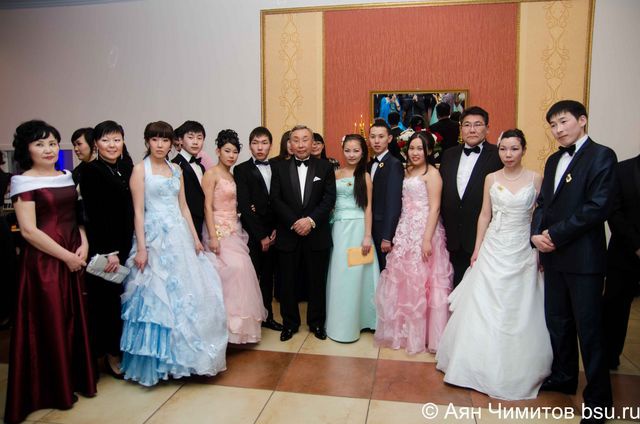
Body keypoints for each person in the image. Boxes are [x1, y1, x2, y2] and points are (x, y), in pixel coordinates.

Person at [436, 129, 552, 400]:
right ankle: (473, 363)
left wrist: (538, 249)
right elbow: (484, 215)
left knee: (519, 304)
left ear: (523, 150)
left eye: (514, 149)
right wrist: (478, 248)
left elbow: (540, 216)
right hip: (494, 246)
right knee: (484, 302)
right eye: (503, 149)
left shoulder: (536, 178)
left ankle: (518, 367)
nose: (508, 154)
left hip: (522, 247)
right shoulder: (491, 178)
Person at [119, 121, 227, 387]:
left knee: (188, 294)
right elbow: (138, 212)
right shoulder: (139, 170)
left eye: (165, 140)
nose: (160, 145)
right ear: (147, 142)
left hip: (179, 235)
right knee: (157, 297)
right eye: (155, 140)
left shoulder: (176, 169)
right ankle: (159, 362)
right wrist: (142, 248)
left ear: (171, 143)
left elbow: (184, 208)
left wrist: (195, 238)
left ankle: (186, 359)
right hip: (154, 238)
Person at [5, 120, 97, 423]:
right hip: (44, 263)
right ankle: (50, 389)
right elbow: (29, 231)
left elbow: (76, 217)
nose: (48, 149)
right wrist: (66, 256)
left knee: (72, 319)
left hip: (73, 254)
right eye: (40, 144)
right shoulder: (22, 182)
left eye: (53, 143)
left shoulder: (66, 176)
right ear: (27, 149)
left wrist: (83, 244)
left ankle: (73, 379)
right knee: (49, 321)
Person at [531, 100, 615, 423]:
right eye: (553, 125)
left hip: (584, 260)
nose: (558, 130)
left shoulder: (601, 156)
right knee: (558, 322)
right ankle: (564, 376)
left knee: (589, 330)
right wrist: (536, 234)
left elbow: (598, 206)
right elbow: (543, 203)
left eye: (563, 122)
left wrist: (555, 234)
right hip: (553, 257)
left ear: (582, 120)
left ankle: (598, 400)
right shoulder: (553, 160)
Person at [375, 132, 453, 354]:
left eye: (420, 148)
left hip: (425, 231)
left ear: (428, 151)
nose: (415, 153)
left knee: (424, 282)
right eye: (412, 148)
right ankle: (403, 332)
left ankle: (426, 336)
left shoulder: (433, 174)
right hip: (405, 229)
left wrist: (426, 239)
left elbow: (435, 208)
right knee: (403, 279)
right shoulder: (406, 171)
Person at [78, 120, 134, 379]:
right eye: (106, 140)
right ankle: (110, 355)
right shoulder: (91, 171)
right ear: (96, 144)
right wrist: (109, 250)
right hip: (106, 249)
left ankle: (121, 349)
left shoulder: (125, 168)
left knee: (123, 301)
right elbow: (94, 215)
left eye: (116, 140)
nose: (112, 145)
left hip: (126, 243)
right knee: (107, 304)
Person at [270, 124, 336, 341]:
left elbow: (329, 199)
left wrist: (310, 221)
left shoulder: (325, 167)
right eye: (295, 140)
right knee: (287, 282)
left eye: (305, 139)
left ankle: (317, 323)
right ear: (289, 143)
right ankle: (290, 324)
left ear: (312, 142)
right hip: (288, 234)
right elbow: (275, 199)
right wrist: (294, 222)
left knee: (317, 282)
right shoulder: (278, 168)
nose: (300, 144)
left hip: (316, 233)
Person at [202, 129, 267, 343]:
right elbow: (207, 207)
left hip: (235, 229)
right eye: (227, 151)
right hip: (218, 229)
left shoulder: (233, 175)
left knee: (242, 274)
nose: (231, 155)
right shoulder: (211, 174)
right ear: (218, 151)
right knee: (227, 275)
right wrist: (213, 236)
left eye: (235, 152)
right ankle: (222, 328)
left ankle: (238, 329)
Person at [440, 106, 502, 287]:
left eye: (477, 125)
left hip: (482, 236)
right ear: (461, 128)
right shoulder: (448, 154)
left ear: (487, 128)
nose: (472, 130)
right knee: (453, 287)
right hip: (451, 235)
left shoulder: (498, 155)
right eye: (467, 125)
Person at [325, 134, 378, 342]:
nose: (351, 154)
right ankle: (340, 325)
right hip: (338, 229)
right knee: (340, 275)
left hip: (358, 229)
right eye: (347, 150)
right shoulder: (335, 174)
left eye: (356, 150)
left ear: (363, 152)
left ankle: (362, 321)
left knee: (357, 276)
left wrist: (367, 236)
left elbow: (368, 208)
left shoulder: (365, 176)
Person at [234, 126, 283, 332]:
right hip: (252, 234)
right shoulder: (241, 170)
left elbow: (282, 200)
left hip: (275, 231)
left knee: (269, 277)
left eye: (264, 143)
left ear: (270, 145)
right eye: (255, 143)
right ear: (250, 146)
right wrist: (261, 236)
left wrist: (277, 229)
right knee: (252, 277)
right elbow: (245, 206)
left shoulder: (278, 167)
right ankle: (252, 319)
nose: (260, 147)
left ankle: (267, 316)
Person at [603, 153, 640, 370]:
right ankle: (609, 357)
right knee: (615, 307)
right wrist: (636, 244)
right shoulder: (622, 169)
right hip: (624, 251)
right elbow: (613, 210)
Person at [368, 120, 403, 271]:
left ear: (389, 138)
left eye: (381, 137)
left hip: (383, 228)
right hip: (370, 227)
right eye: (373, 137)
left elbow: (393, 202)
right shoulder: (369, 164)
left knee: (385, 270)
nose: (376, 141)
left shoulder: (394, 164)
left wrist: (387, 236)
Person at [171, 120, 206, 241]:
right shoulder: (174, 165)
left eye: (199, 138)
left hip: (201, 222)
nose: (195, 142)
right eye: (190, 137)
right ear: (180, 140)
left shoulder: (201, 166)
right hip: (184, 223)